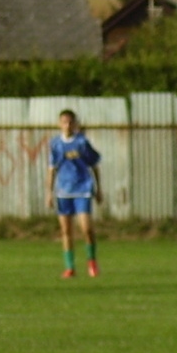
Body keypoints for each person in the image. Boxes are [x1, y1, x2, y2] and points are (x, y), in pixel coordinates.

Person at [45, 109, 102, 279]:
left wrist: (98, 189)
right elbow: (51, 169)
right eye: (64, 122)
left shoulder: (82, 143)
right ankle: (70, 267)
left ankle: (91, 261)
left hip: (83, 189)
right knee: (66, 231)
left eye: (70, 122)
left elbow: (94, 165)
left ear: (75, 124)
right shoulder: (55, 144)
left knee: (86, 228)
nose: (67, 125)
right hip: (63, 191)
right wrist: (49, 192)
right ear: (59, 124)